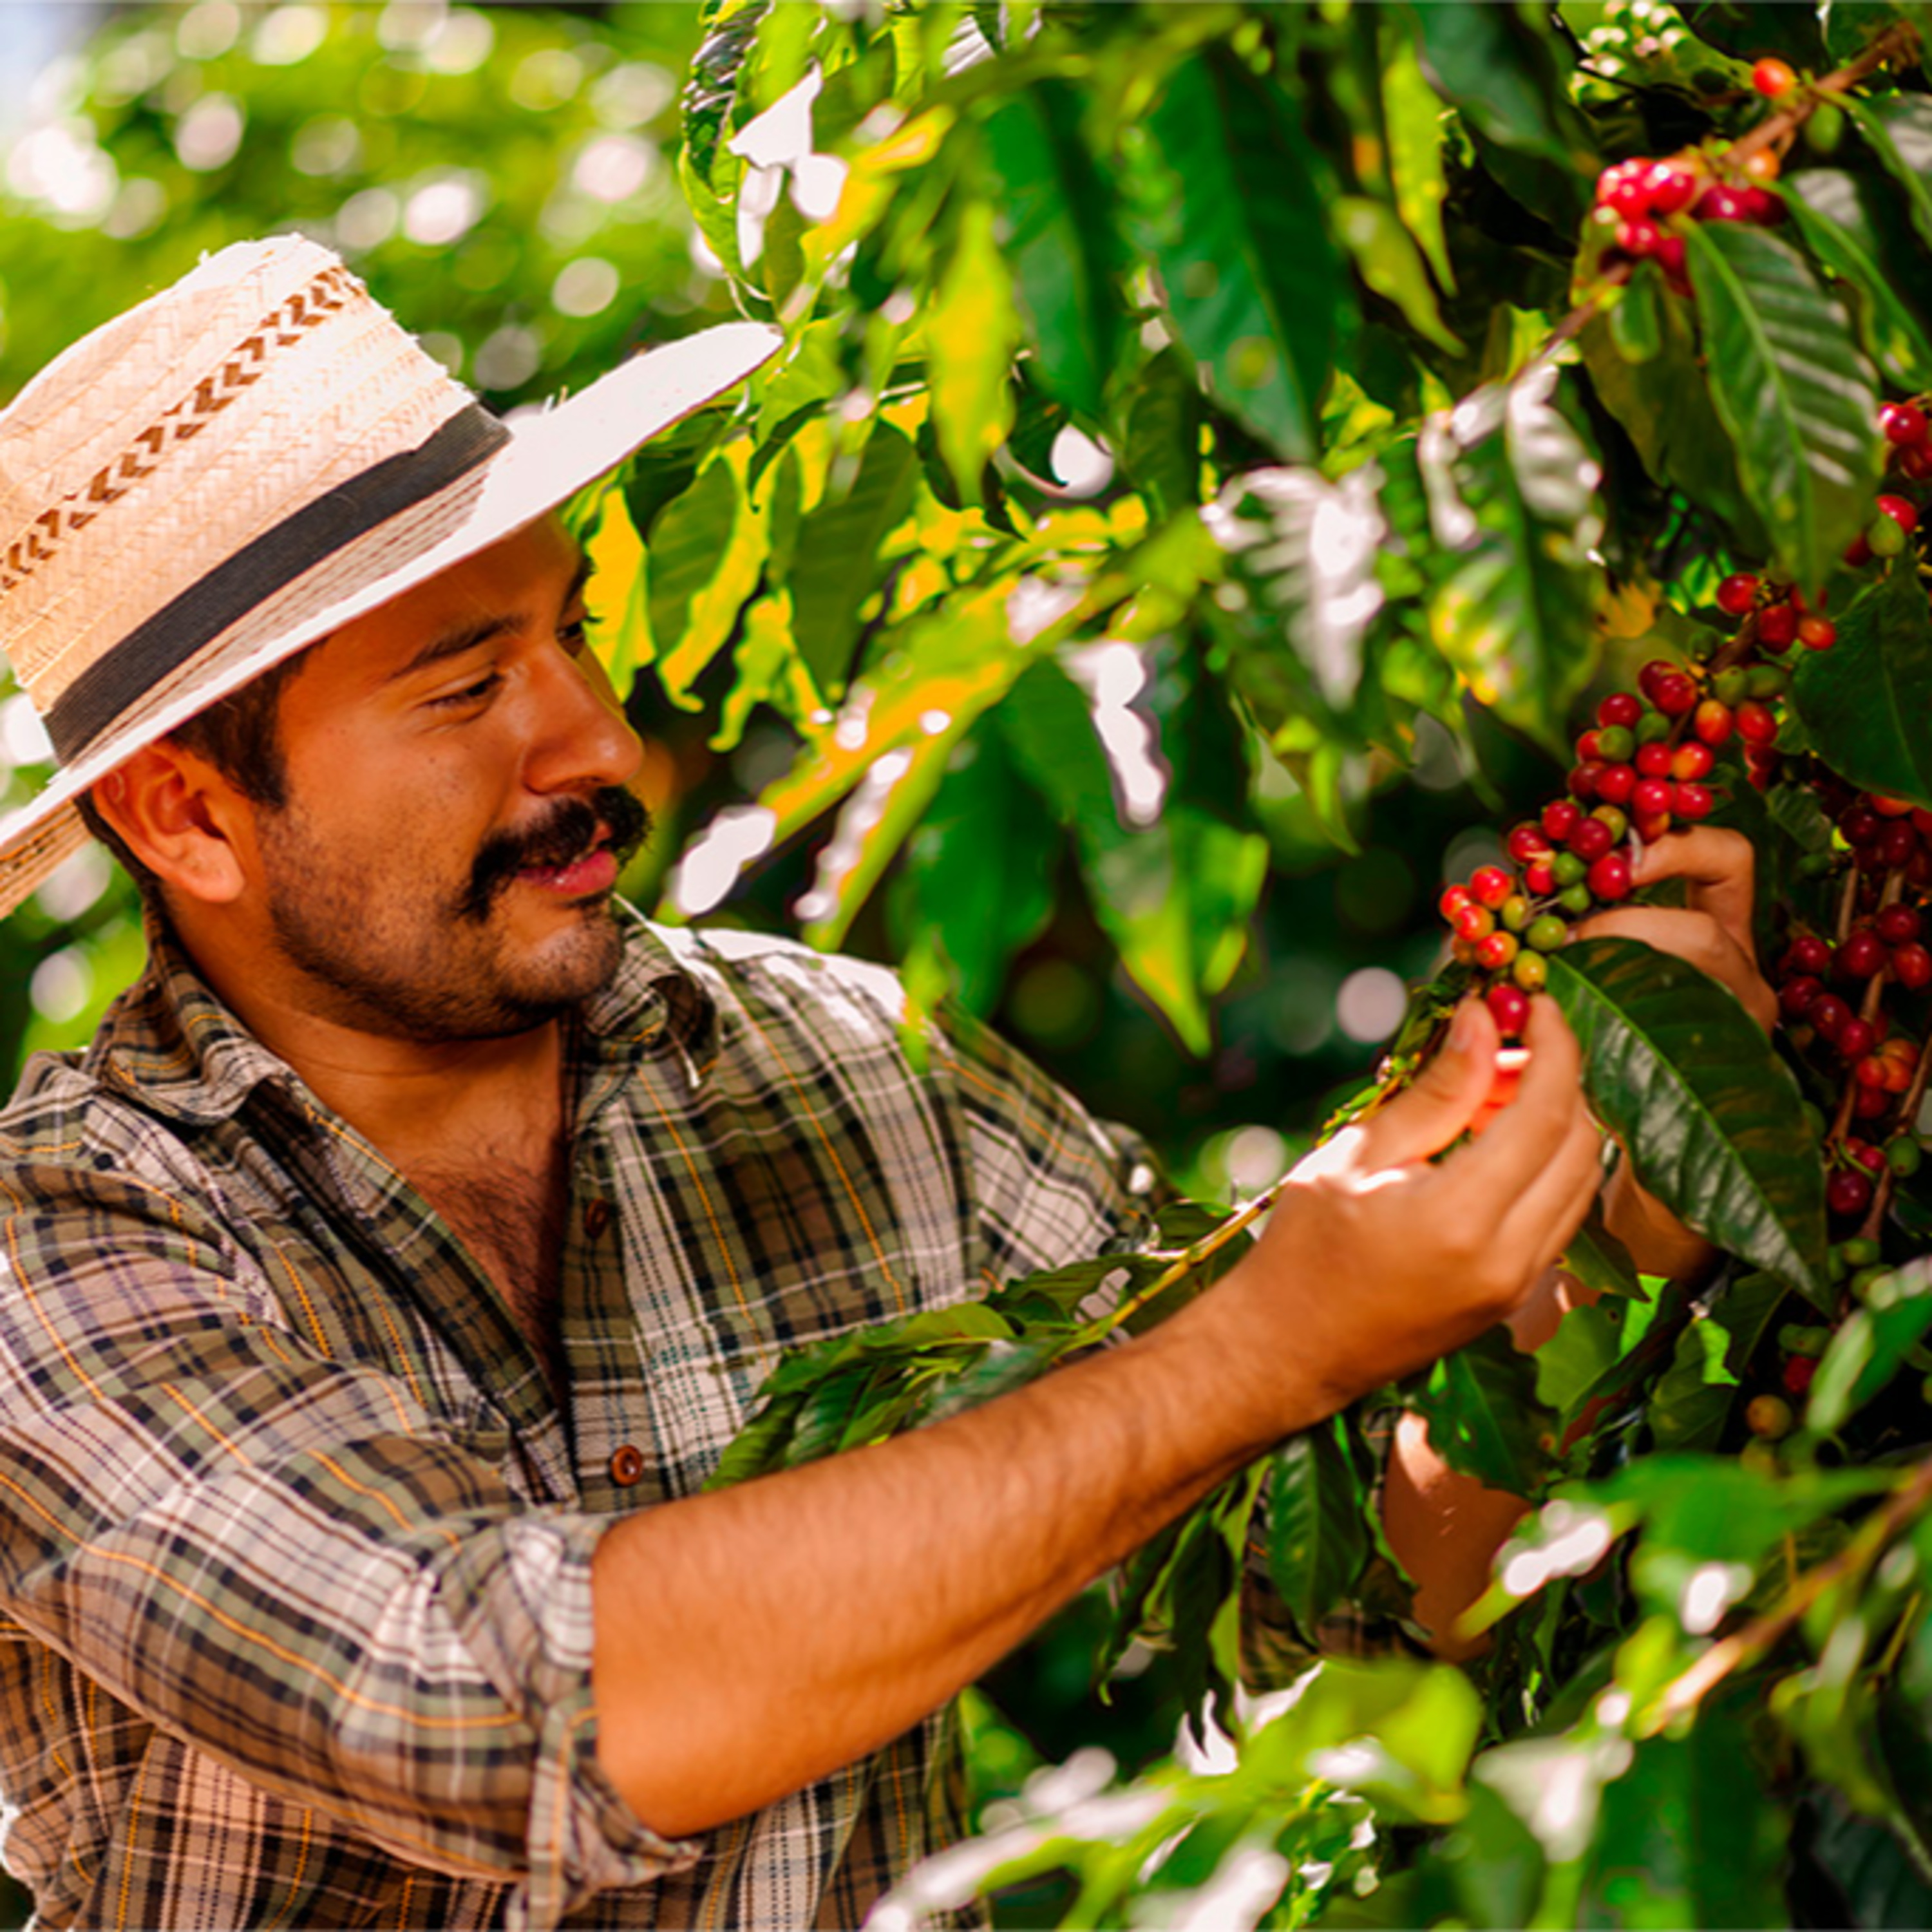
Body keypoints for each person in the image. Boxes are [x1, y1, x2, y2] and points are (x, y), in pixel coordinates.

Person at [0, 234, 1643, 1930]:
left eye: (568, 637)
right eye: (467, 687)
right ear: (182, 815)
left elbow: (1332, 1577)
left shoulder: (839, 1065)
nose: (598, 747)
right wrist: (1272, 1338)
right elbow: (511, 1709)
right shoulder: (54, 1245)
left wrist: (1580, 1219)